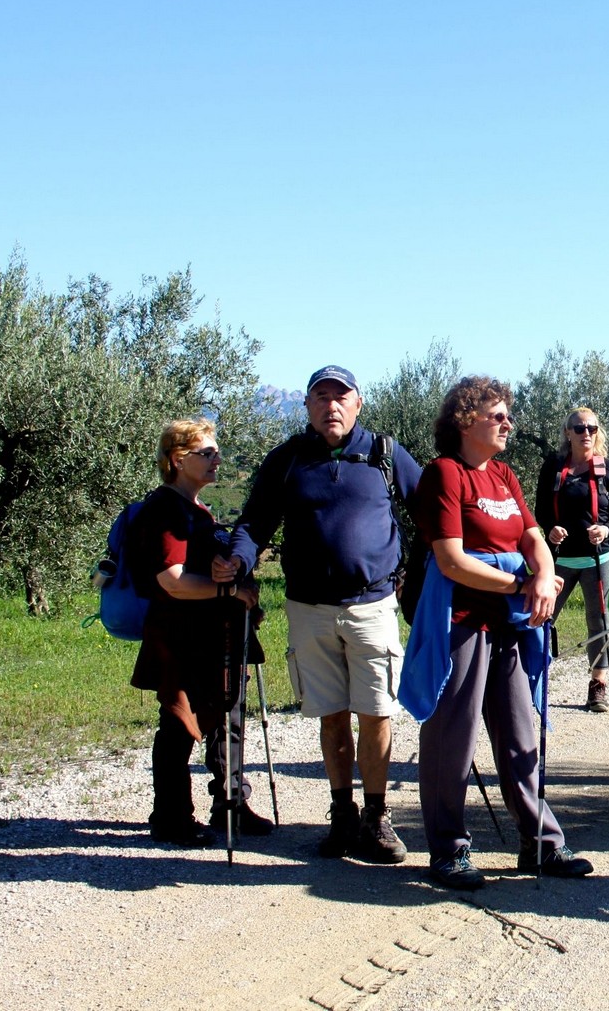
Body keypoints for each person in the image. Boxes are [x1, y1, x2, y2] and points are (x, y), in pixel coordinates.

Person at [223, 365, 419, 864]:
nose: (331, 405)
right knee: (331, 716)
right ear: (308, 406)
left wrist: (429, 570)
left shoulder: (384, 453)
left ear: (357, 403)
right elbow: (255, 522)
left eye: (341, 396)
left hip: (372, 605)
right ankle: (343, 814)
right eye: (321, 397)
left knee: (376, 713)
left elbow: (432, 514)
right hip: (308, 608)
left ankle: (376, 817)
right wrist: (238, 562)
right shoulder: (288, 459)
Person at [406, 376, 593, 889]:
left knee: (518, 733)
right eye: (497, 415)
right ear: (466, 421)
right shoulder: (444, 474)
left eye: (508, 414)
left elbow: (532, 536)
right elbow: (451, 560)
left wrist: (543, 578)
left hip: (509, 622)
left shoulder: (504, 475)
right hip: (461, 622)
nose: (508, 423)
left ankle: (541, 844)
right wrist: (522, 584)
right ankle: (447, 850)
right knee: (453, 737)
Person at [131, 419, 272, 846]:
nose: (217, 459)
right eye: (206, 453)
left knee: (227, 719)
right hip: (181, 639)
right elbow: (172, 581)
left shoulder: (197, 509)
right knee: (179, 723)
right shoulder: (165, 510)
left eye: (216, 452)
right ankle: (171, 817)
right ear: (177, 459)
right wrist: (229, 591)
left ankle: (230, 806)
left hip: (214, 637)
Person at [536, 408, 609, 713]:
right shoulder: (553, 467)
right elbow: (540, 510)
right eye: (579, 428)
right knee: (542, 617)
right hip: (560, 559)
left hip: (598, 558)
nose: (586, 433)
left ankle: (598, 685)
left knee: (598, 621)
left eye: (591, 428)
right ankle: (530, 678)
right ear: (568, 432)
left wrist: (606, 529)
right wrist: (550, 528)